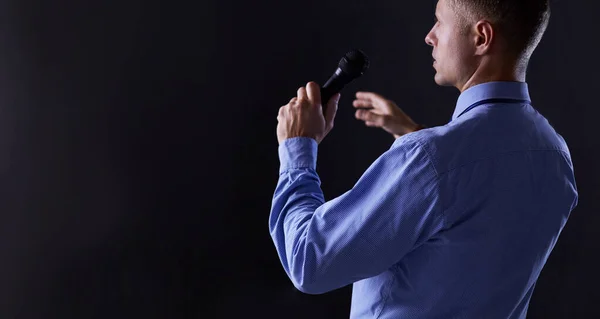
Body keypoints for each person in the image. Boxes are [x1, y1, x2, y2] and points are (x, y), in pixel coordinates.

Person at [269, 0, 578, 317]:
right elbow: (472, 225)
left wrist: (298, 147)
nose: (430, 36)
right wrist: (411, 135)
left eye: (439, 22)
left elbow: (308, 261)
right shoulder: (556, 155)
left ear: (482, 37)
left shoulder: (430, 159)